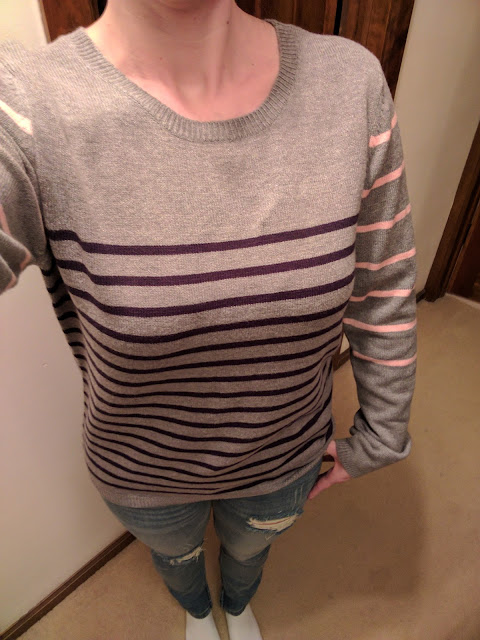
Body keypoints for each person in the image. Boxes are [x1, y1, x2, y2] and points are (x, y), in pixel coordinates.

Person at [0, 0, 417, 638]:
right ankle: (197, 609)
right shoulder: (29, 107)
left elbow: (383, 282)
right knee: (176, 558)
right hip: (141, 472)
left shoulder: (351, 83)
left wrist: (384, 429)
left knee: (249, 552)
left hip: (284, 459)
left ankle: (239, 600)